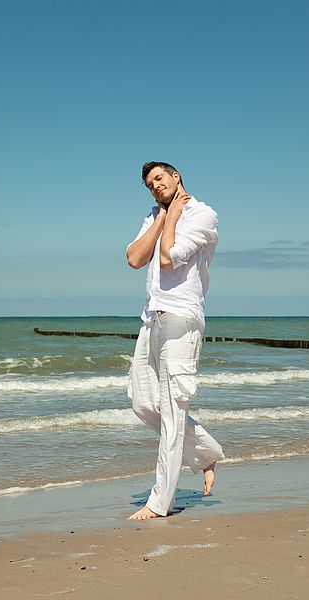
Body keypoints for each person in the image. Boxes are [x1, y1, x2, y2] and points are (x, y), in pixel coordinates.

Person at [125, 161, 225, 520]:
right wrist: (163, 218)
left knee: (171, 412)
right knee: (140, 401)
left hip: (182, 320)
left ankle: (159, 502)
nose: (155, 187)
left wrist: (174, 216)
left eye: (159, 179)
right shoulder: (155, 215)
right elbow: (135, 257)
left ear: (176, 177)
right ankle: (205, 453)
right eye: (150, 185)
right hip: (151, 318)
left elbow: (169, 259)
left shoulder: (203, 215)